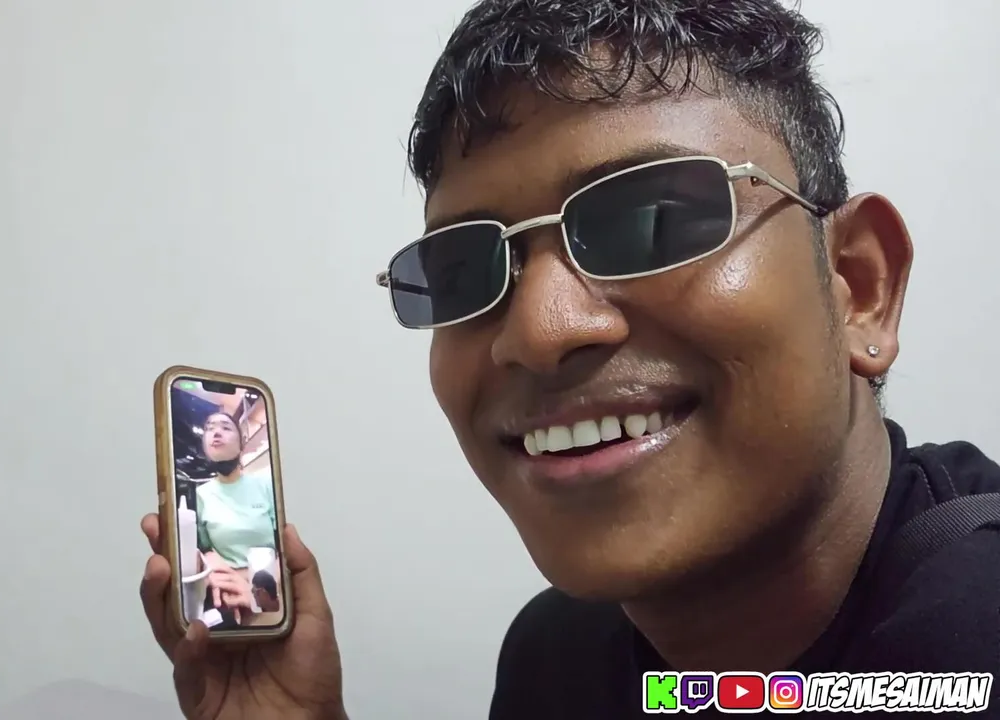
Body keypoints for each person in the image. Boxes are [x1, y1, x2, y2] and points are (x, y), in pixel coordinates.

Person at [140, 1, 1000, 718]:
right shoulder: (554, 656)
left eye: (652, 221)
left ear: (858, 286)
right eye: (463, 272)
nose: (538, 330)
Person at [193, 411, 278, 627]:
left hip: (272, 588)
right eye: (210, 428)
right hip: (226, 593)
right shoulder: (201, 494)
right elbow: (205, 548)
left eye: (225, 427)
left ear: (242, 443)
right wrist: (223, 574)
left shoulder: (266, 483)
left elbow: (285, 545)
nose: (216, 433)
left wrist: (259, 590)